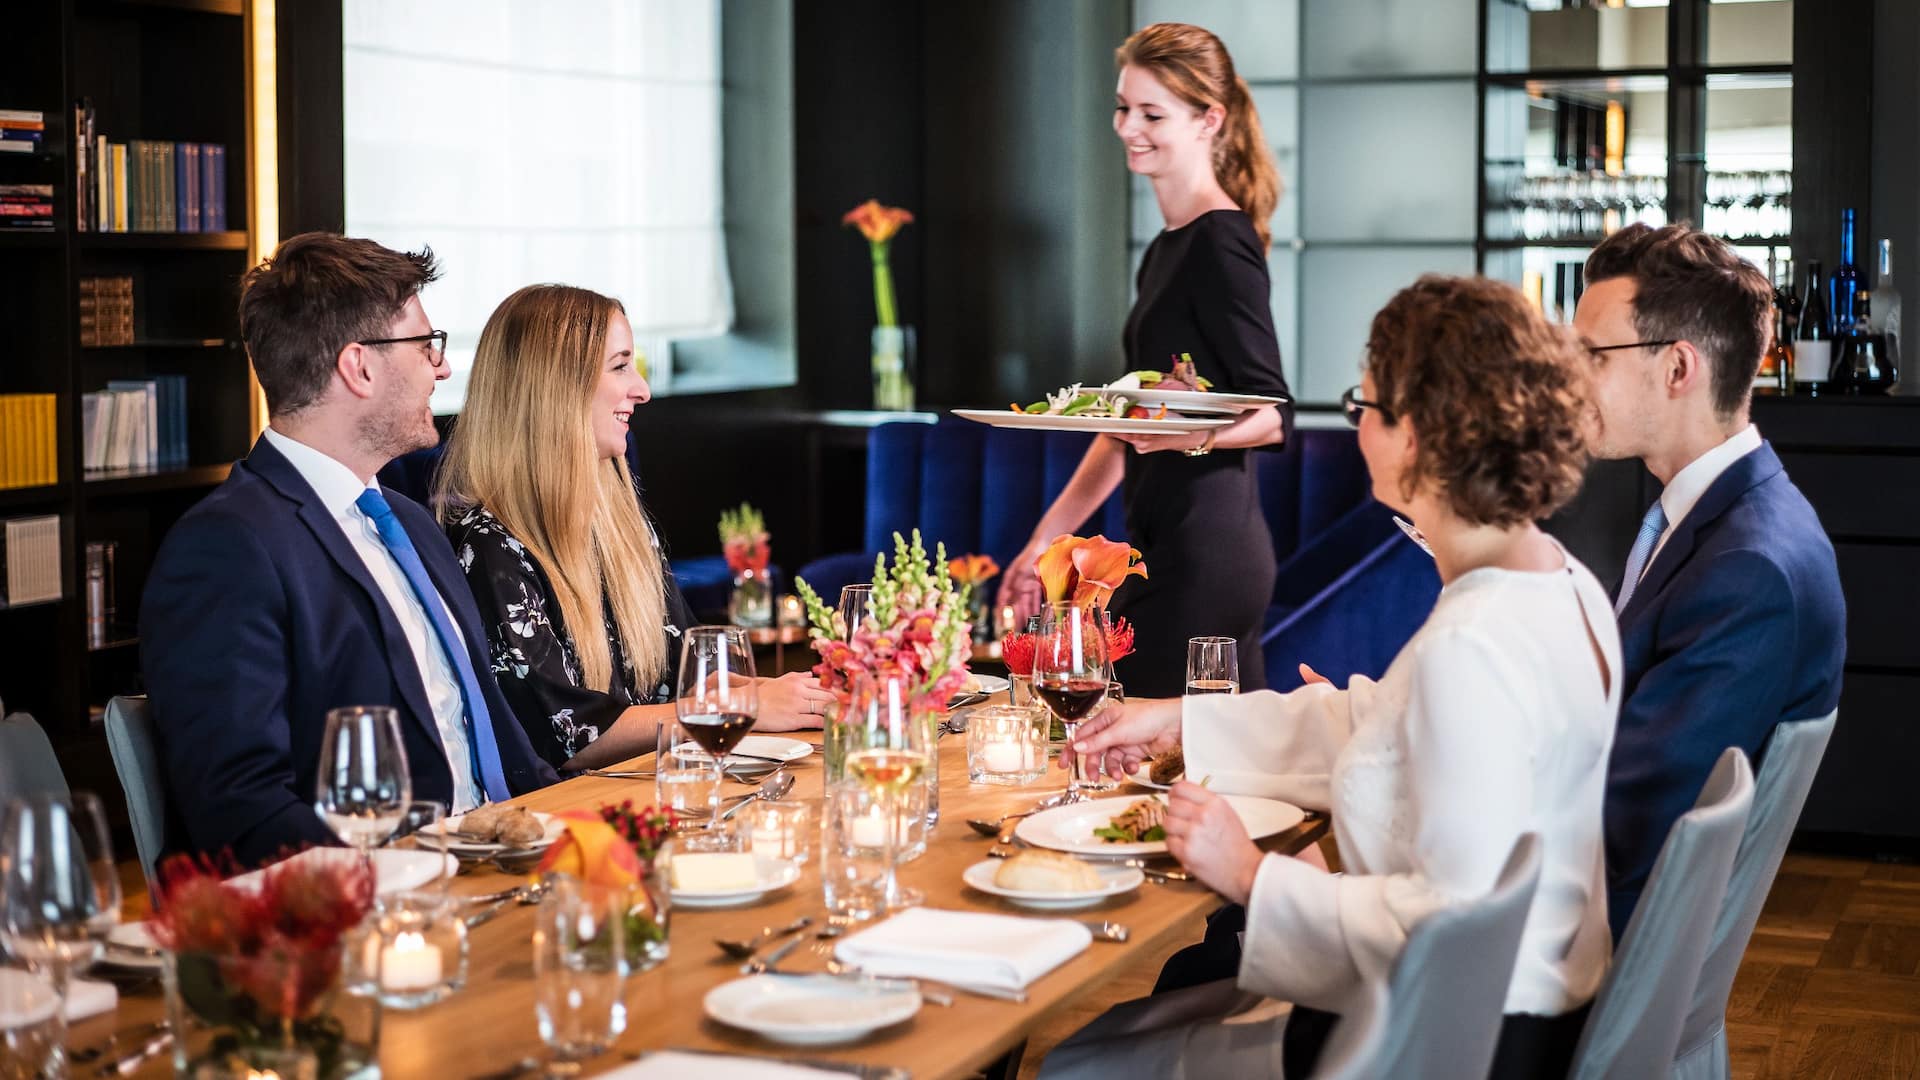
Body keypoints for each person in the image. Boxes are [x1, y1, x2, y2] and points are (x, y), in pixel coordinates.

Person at [1048, 275, 1616, 1078]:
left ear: (1417, 434)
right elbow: (1374, 721)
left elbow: (1447, 924)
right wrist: (1177, 719)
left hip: (1447, 1041)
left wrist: (1250, 872)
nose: (1356, 428)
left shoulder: (1474, 643)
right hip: (1518, 1008)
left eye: (1367, 405)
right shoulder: (1560, 583)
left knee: (1082, 1061)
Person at [141, 233, 559, 868]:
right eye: (426, 346)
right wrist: (417, 876)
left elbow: (507, 750)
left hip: (505, 866)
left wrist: (587, 830)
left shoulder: (412, 524)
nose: (442, 368)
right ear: (358, 366)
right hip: (384, 902)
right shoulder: (228, 546)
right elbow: (242, 811)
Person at [998, 22, 1292, 696]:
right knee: (1179, 770)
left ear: (1208, 120)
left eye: (1152, 113)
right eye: (1124, 107)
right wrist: (1045, 541)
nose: (1129, 126)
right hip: (1168, 548)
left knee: (1151, 759)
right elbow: (1126, 427)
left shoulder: (1221, 242)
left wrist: (1190, 438)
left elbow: (1274, 413)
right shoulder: (1167, 249)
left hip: (1205, 555)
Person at [1574, 224, 1845, 942]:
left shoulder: (1746, 570)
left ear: (1677, 368)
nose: (1569, 377)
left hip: (1588, 949)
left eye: (1592, 354)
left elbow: (1626, 820)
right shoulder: (1726, 517)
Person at [436, 284, 832, 772]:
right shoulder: (488, 547)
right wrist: (736, 709)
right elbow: (568, 735)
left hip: (656, 789)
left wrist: (786, 693)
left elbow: (687, 677)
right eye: (620, 366)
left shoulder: (620, 523)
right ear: (557, 386)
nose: (642, 389)